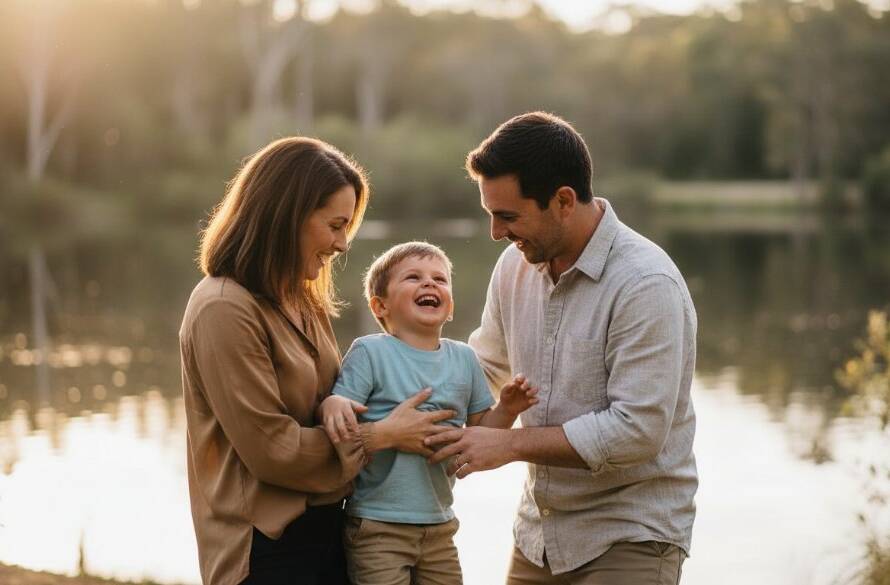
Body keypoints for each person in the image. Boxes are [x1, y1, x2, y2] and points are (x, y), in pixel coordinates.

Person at [426, 112, 698, 585]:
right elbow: (480, 368)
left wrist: (509, 444)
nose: (495, 232)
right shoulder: (514, 265)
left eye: (508, 216)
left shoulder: (645, 283)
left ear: (564, 200)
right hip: (540, 535)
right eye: (491, 214)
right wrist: (382, 397)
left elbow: (637, 430)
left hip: (629, 534)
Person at [179, 138, 455, 585]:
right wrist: (382, 436)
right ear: (288, 216)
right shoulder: (223, 307)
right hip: (264, 548)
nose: (343, 243)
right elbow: (272, 450)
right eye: (335, 225)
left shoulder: (300, 298)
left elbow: (337, 398)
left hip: (331, 529)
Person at [316, 241, 539, 585]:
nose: (430, 284)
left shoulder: (464, 359)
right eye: (413, 278)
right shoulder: (370, 352)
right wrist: (333, 402)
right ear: (380, 305)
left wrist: (508, 409)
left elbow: (481, 430)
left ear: (449, 308)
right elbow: (342, 411)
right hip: (377, 524)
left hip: (439, 524)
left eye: (440, 279)